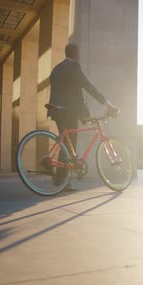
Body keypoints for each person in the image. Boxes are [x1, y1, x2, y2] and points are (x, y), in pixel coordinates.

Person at [48, 43, 119, 189]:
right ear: (76, 54)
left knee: (65, 144)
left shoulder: (57, 68)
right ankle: (62, 180)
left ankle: (61, 180)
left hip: (56, 109)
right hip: (68, 111)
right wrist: (108, 105)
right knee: (69, 145)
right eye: (79, 54)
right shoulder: (74, 68)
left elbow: (68, 91)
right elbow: (89, 87)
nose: (79, 57)